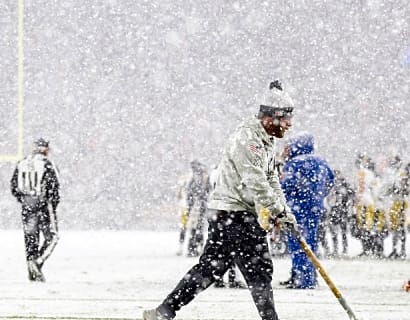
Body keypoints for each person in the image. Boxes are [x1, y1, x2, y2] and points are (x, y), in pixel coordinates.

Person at [143, 80, 296, 320]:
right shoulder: (249, 140)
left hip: (233, 213)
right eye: (286, 119)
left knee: (212, 268)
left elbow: (271, 178)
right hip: (233, 213)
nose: (289, 125)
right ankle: (270, 319)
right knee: (259, 269)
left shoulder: (266, 141)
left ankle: (165, 311)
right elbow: (256, 181)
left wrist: (283, 210)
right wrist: (277, 211)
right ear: (270, 118)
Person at [280, 132, 335, 289]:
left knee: (297, 244)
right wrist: (319, 196)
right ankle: (307, 276)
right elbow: (331, 181)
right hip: (315, 209)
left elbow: (285, 186)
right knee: (310, 242)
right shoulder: (321, 162)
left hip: (297, 209)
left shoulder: (294, 164)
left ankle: (301, 278)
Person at [10, 138, 61, 282]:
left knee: (31, 238)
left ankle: (32, 271)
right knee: (52, 237)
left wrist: (24, 199)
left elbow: (14, 186)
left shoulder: (22, 163)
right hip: (43, 203)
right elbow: (54, 186)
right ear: (46, 149)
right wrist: (51, 203)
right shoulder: (47, 164)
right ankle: (37, 263)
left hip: (27, 203)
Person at [184, 160, 211, 257]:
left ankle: (194, 247)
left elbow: (191, 192)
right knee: (197, 227)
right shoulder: (201, 177)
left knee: (196, 227)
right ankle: (195, 247)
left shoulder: (200, 178)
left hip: (198, 205)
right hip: (198, 205)